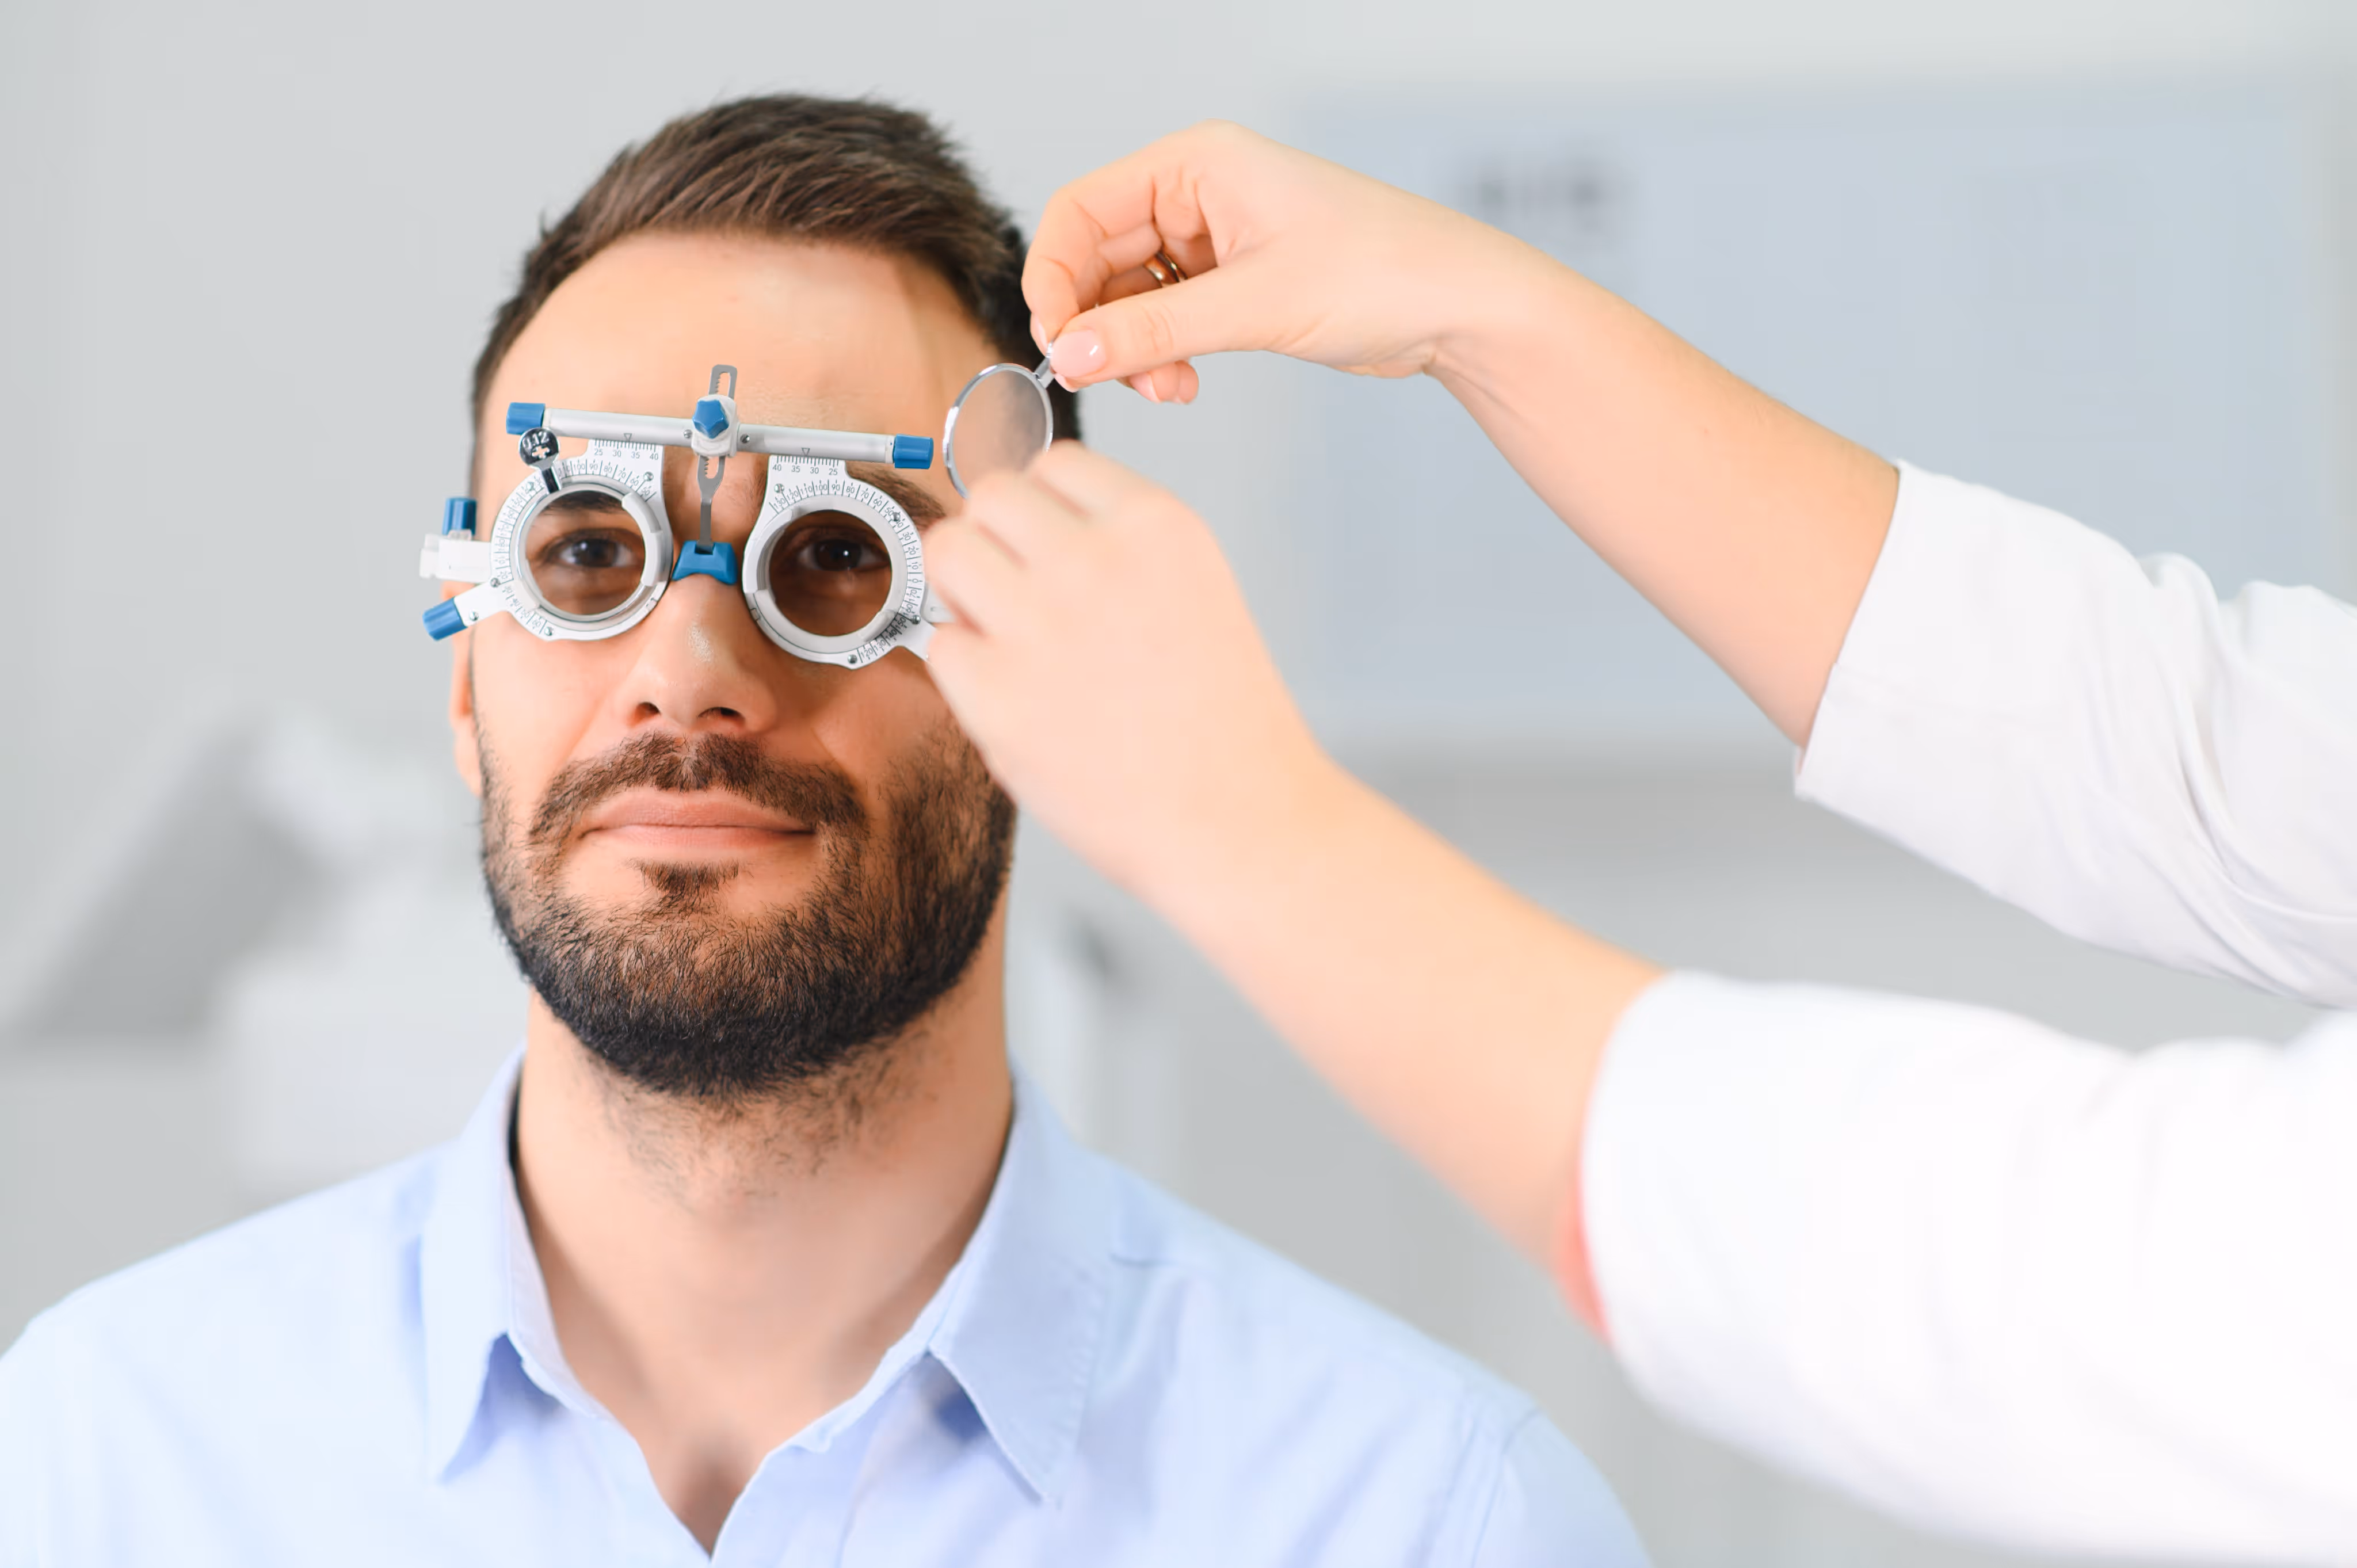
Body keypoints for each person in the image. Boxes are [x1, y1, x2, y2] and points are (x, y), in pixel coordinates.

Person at [0, 100, 1650, 1567]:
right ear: (466, 676)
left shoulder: (1420, 1519)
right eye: (587, 555)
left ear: (1041, 656)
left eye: (839, 561)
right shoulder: (101, 1468)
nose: (690, 675)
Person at [916, 122, 2357, 1562]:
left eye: (843, 551)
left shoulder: (1419, 1495)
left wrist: (1242, 824)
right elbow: (2204, 748)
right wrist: (1487, 316)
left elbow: (2103, 1296)